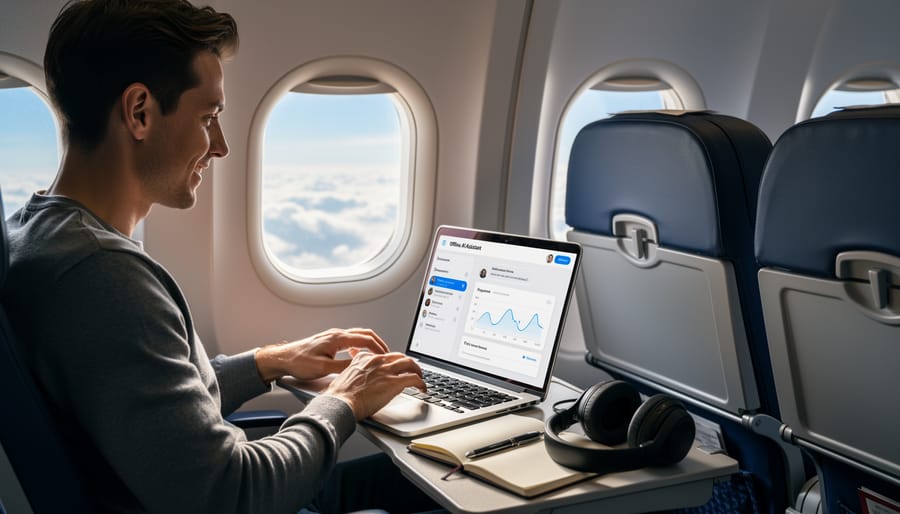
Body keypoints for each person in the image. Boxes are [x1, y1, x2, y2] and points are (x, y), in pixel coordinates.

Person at [2, 1, 440, 513]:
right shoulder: (104, 276)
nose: (222, 145)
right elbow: (232, 494)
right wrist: (344, 401)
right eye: (209, 117)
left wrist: (268, 362)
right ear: (139, 112)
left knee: (407, 484)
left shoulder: (37, 233)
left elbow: (152, 405)